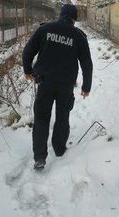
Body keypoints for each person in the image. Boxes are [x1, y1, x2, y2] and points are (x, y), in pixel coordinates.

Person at [22, 4, 93, 170]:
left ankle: (39, 157)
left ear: (60, 15)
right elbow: (86, 63)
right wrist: (86, 86)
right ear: (74, 19)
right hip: (65, 86)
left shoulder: (45, 29)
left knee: (41, 119)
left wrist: (27, 70)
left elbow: (28, 51)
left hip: (44, 83)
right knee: (62, 117)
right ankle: (59, 150)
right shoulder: (78, 36)